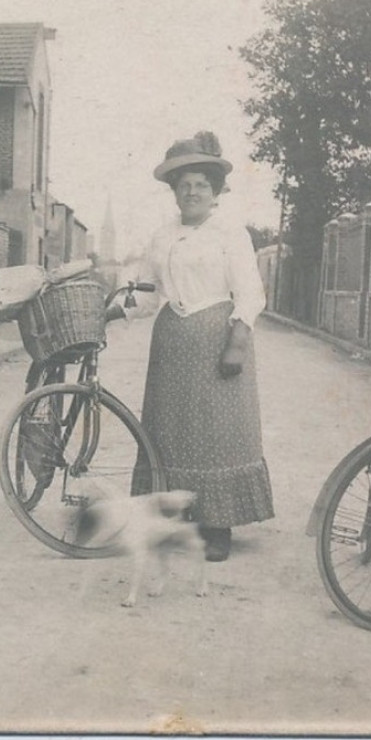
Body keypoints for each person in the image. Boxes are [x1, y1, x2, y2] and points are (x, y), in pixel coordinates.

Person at [127, 131, 273, 562]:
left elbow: (251, 292)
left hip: (217, 340)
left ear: (214, 193)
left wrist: (237, 343)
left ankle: (218, 525)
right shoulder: (162, 236)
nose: (192, 192)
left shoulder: (230, 233)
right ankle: (175, 517)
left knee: (217, 431)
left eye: (201, 186)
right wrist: (116, 309)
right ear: (174, 192)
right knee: (171, 430)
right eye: (184, 185)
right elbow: (151, 293)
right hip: (172, 341)